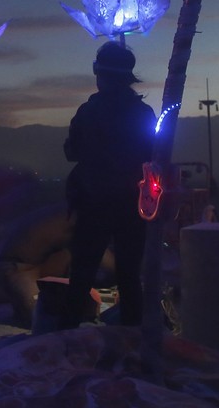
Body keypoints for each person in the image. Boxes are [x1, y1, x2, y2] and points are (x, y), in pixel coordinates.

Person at [60, 41, 156, 329]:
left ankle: (67, 337)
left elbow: (71, 152)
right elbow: (152, 154)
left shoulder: (89, 112)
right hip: (131, 203)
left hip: (93, 199)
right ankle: (133, 337)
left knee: (82, 272)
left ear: (100, 74)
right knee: (129, 275)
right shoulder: (144, 114)